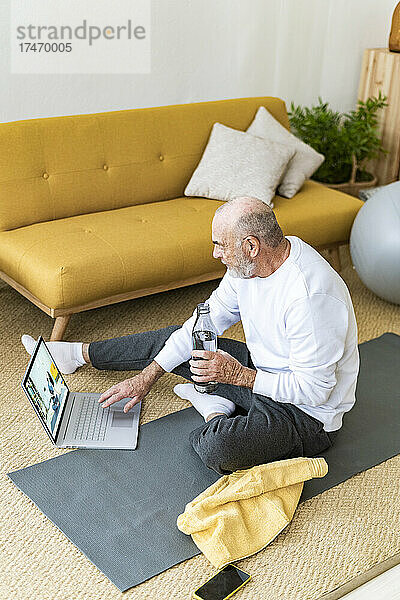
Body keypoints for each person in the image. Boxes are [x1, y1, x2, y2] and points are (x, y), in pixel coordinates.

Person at [21, 197, 359, 475]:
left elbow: (316, 390)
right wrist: (146, 379)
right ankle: (76, 354)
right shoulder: (246, 270)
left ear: (251, 245)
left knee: (218, 449)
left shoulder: (310, 297)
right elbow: (204, 323)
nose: (216, 254)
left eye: (220, 245)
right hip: (262, 371)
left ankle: (214, 407)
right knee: (180, 341)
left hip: (306, 414)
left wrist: (238, 376)